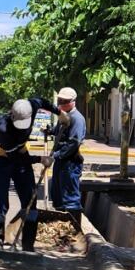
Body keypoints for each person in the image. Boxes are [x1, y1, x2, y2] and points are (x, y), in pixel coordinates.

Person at [0, 95, 58, 250]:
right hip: (1, 161)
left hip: (21, 156)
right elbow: (17, 159)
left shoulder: (31, 106)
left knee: (30, 202)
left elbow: (43, 101)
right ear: (12, 115)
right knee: (1, 203)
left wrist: (61, 113)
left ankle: (28, 247)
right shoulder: (3, 129)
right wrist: (40, 159)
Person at [47, 86, 88, 232]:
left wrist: (56, 155)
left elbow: (73, 142)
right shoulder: (64, 115)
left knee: (70, 197)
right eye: (60, 100)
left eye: (65, 101)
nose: (61, 103)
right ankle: (60, 228)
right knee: (57, 194)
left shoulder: (77, 119)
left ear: (73, 101)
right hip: (61, 162)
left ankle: (74, 230)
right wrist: (50, 131)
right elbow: (59, 132)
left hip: (70, 162)